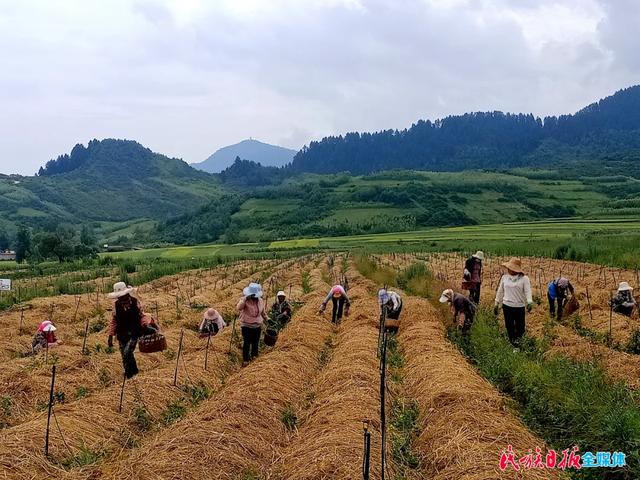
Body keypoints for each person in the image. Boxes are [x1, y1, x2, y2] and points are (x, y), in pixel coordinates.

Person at [107, 282, 157, 379]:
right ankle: (132, 372)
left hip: (134, 333)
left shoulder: (134, 302)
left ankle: (130, 374)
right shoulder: (116, 305)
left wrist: (145, 325)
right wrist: (110, 335)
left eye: (123, 296)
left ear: (127, 294)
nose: (121, 298)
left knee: (127, 353)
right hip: (121, 334)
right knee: (124, 355)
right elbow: (114, 321)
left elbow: (142, 315)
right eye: (119, 296)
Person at [494, 258, 533, 348]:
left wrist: (529, 301)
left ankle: (520, 344)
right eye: (509, 268)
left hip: (519, 306)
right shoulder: (505, 277)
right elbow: (500, 291)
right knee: (509, 326)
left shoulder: (524, 279)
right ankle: (513, 344)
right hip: (507, 306)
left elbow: (528, 291)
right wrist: (496, 303)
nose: (509, 269)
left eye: (511, 268)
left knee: (520, 327)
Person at [237, 282, 268, 366]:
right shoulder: (245, 300)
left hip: (257, 326)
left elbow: (263, 313)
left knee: (255, 342)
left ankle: (254, 356)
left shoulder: (260, 301)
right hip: (246, 325)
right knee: (246, 343)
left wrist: (267, 319)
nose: (254, 297)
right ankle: (246, 359)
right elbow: (239, 308)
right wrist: (245, 299)